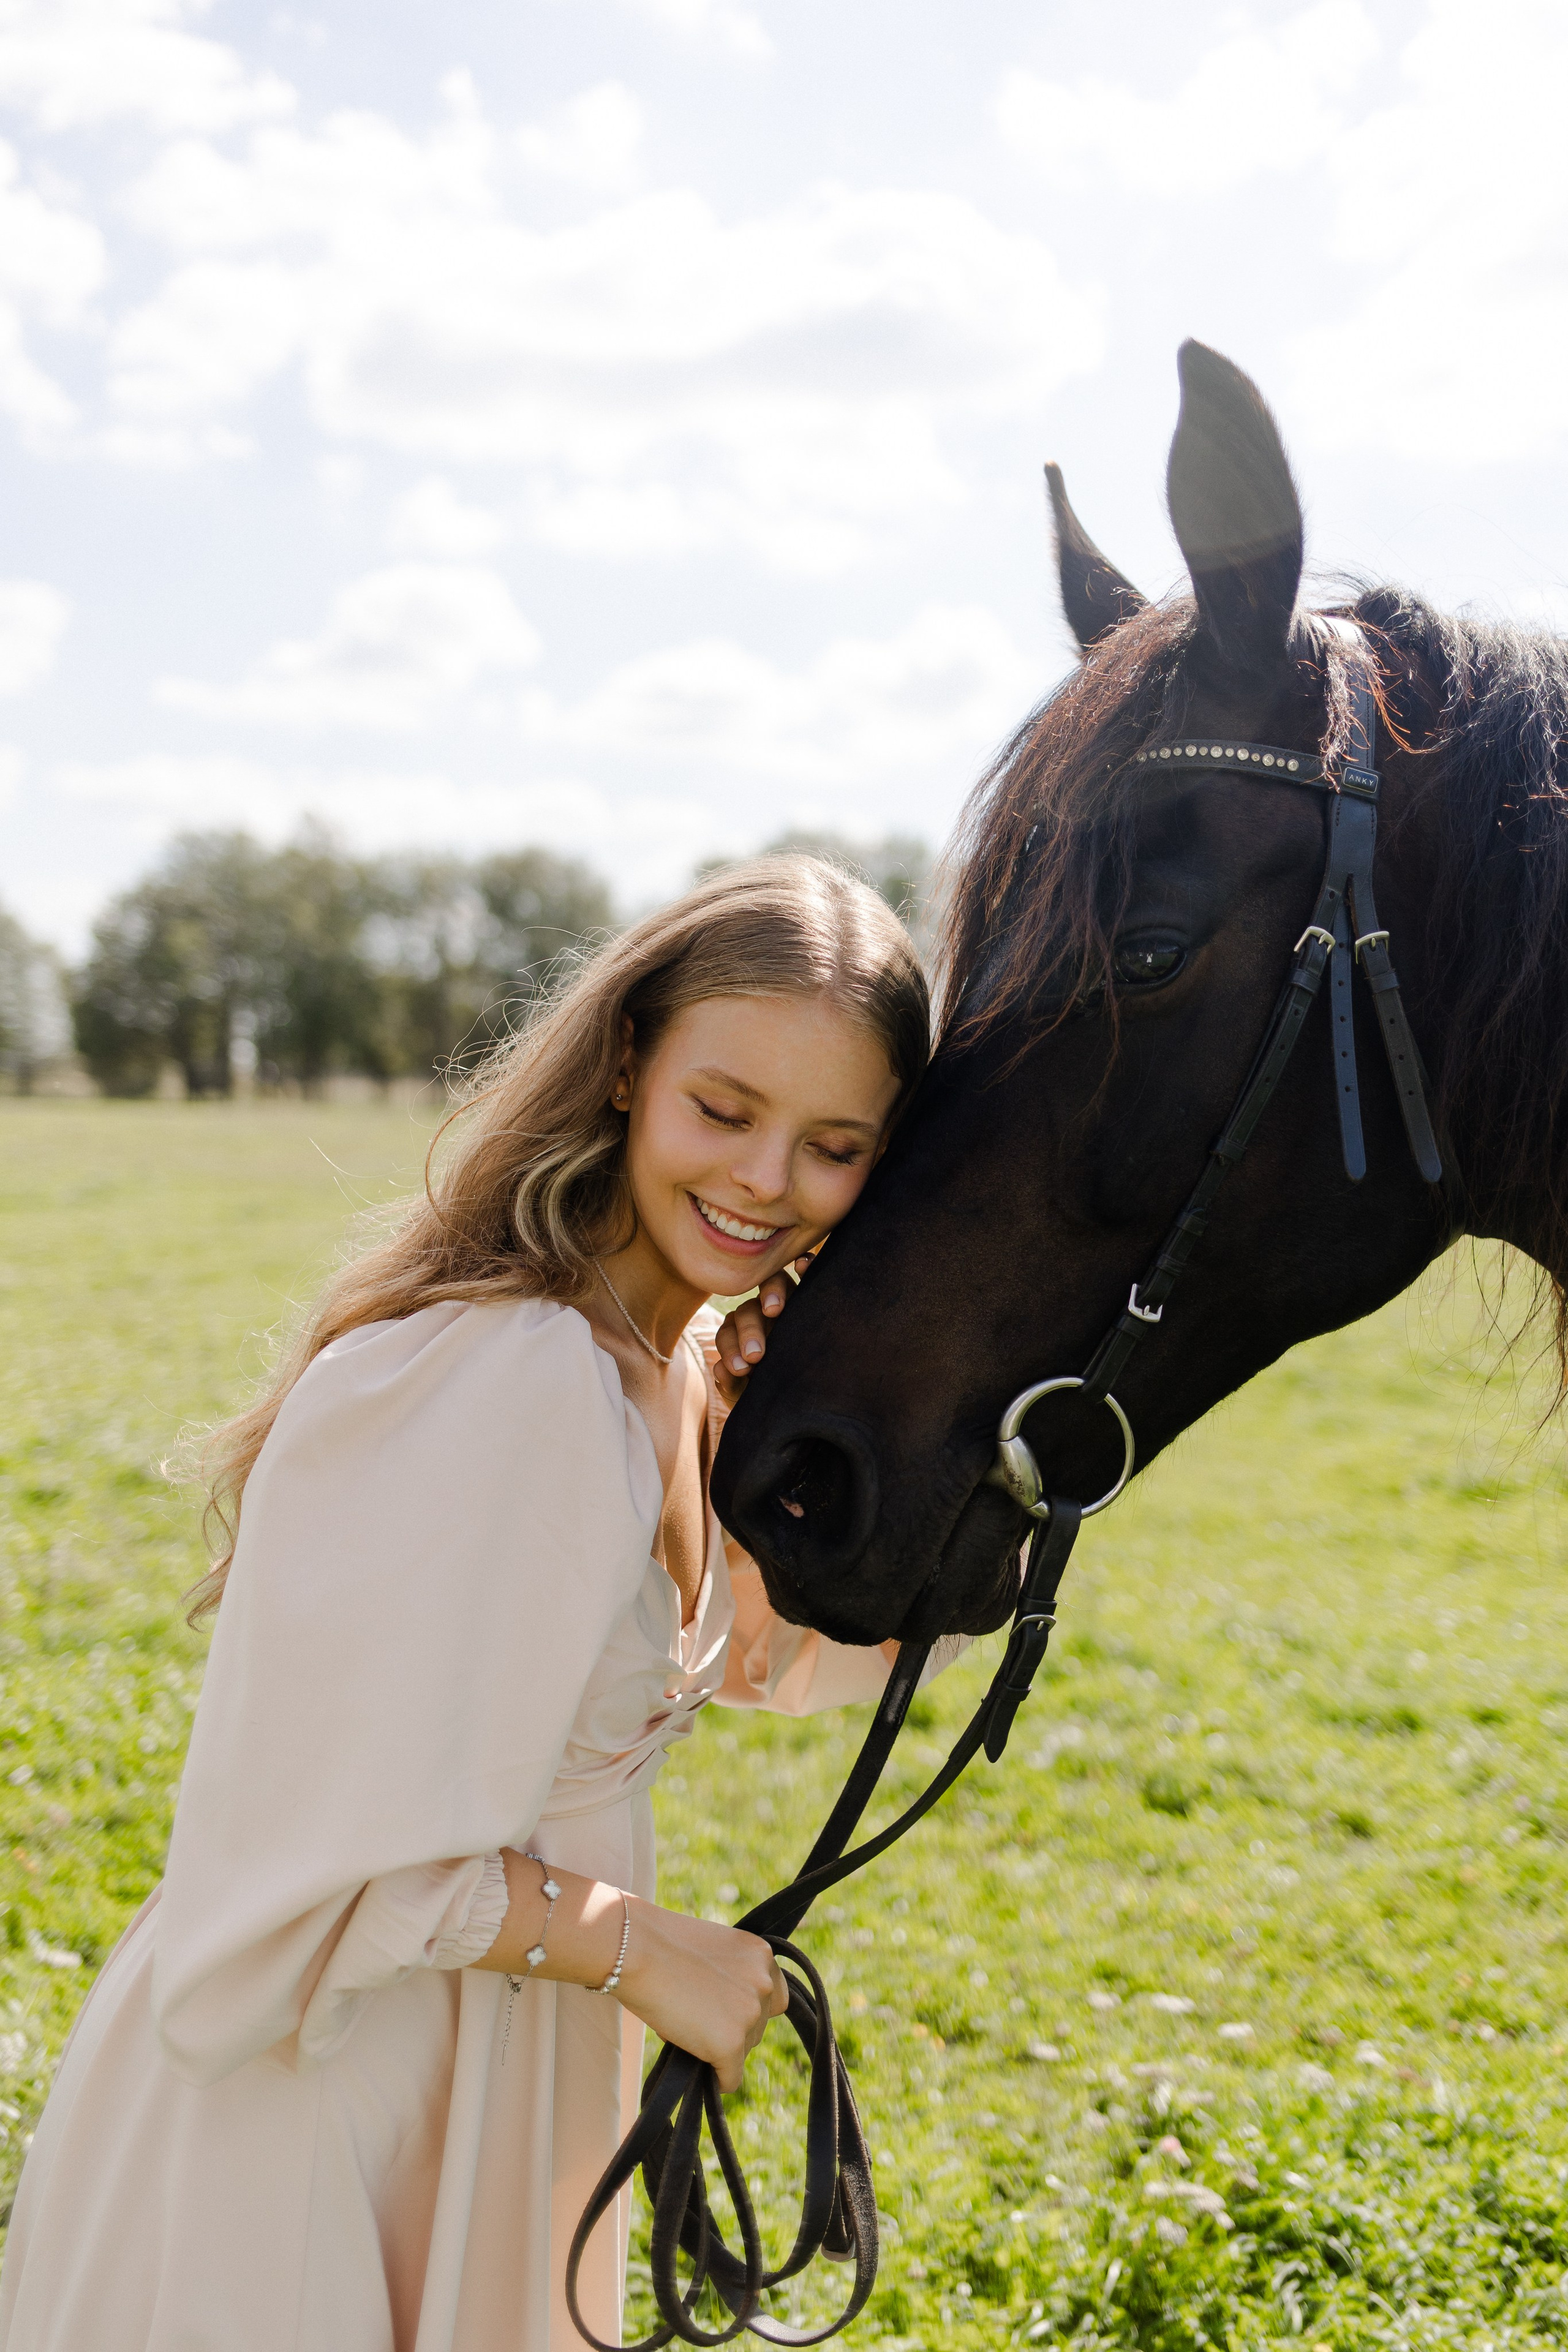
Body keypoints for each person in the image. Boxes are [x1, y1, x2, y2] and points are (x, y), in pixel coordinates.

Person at [0, 856, 934, 2352]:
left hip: (506, 2052)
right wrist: (644, 1949)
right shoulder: (507, 1373)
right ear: (628, 1065)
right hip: (331, 2077)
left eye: (834, 1146)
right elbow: (313, 1860)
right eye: (723, 1110)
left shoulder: (675, 1368)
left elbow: (737, 1657)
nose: (766, 1180)